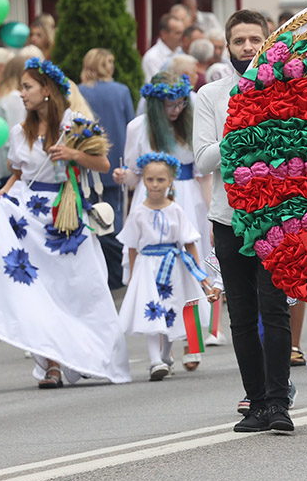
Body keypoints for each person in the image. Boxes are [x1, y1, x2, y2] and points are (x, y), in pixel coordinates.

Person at [0, 57, 131, 388]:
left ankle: (88, 354)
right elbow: (18, 174)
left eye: (27, 87)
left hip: (66, 219)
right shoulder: (19, 131)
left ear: (47, 90)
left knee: (80, 288)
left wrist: (73, 155)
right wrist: (0, 196)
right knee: (39, 292)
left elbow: (103, 163)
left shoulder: (75, 124)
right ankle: (51, 365)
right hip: (30, 218)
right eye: (21, 87)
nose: (21, 94)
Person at [193, 9, 294, 432]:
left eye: (255, 39)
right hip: (229, 218)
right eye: (239, 41)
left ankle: (279, 402)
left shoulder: (289, 87)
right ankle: (255, 402)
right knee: (241, 314)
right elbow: (202, 161)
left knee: (275, 309)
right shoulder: (210, 96)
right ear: (227, 47)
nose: (248, 47)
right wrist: (241, 129)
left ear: (268, 43)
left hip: (276, 217)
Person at [119, 153, 215, 381]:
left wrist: (199, 274)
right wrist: (133, 275)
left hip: (174, 267)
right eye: (150, 179)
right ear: (143, 180)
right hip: (146, 267)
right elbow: (132, 246)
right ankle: (154, 361)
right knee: (152, 309)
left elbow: (189, 242)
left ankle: (165, 355)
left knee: (170, 310)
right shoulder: (138, 213)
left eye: (160, 180)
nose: (154, 185)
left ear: (170, 181)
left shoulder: (176, 210)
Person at [115, 72, 210, 296]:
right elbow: (134, 174)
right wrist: (122, 176)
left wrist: (212, 212)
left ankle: (194, 318)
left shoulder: (192, 124)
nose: (177, 110)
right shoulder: (137, 127)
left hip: (188, 197)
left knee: (192, 252)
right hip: (149, 199)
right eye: (170, 105)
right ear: (156, 105)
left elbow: (204, 174)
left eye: (181, 103)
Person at [79, 48, 135, 287]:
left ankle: (99, 269)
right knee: (115, 217)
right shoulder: (121, 91)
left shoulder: (80, 92)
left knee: (91, 218)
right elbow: (130, 126)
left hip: (89, 163)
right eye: (109, 61)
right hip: (116, 162)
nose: (112, 65)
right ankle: (117, 270)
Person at [141, 13, 185, 82]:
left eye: (183, 33)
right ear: (164, 34)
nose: (182, 37)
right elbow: (156, 86)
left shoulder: (180, 51)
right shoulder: (152, 58)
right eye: (178, 33)